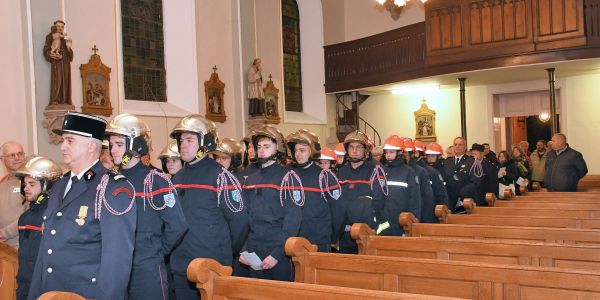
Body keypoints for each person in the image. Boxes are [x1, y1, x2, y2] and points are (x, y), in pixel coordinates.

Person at [28, 112, 137, 300]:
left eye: (70, 141)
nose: (62, 147)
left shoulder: (112, 188)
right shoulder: (60, 185)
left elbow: (116, 260)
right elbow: (46, 250)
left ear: (92, 145)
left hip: (85, 294)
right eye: (63, 140)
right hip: (51, 292)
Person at [105, 113, 188, 300]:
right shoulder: (109, 181)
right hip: (116, 268)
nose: (113, 150)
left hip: (146, 268)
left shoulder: (156, 180)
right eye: (111, 145)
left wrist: (155, 250)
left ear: (136, 145)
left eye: (119, 144)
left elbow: (178, 225)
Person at [169, 115, 247, 298]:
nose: (183, 145)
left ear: (206, 142)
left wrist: (224, 250)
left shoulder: (221, 177)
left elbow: (240, 223)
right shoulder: (177, 178)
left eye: (189, 140)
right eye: (181, 141)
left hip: (211, 266)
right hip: (181, 266)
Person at [240, 125, 303, 281]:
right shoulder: (251, 179)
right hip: (254, 250)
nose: (261, 150)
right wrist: (243, 250)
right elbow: (243, 218)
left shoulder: (288, 177)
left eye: (266, 146)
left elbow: (292, 221)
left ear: (278, 148)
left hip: (278, 251)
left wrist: (277, 254)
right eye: (259, 146)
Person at [14, 156, 62, 300]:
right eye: (25, 184)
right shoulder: (25, 217)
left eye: (32, 184)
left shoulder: (55, 216)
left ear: (48, 186)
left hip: (44, 289)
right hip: (24, 286)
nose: (26, 188)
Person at [287, 130, 340, 252]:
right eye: (295, 151)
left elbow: (337, 211)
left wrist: (331, 237)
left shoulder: (325, 176)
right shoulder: (288, 174)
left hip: (318, 240)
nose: (298, 154)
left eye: (302, 150)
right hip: (292, 239)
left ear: (312, 151)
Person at [333, 131, 387, 253]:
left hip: (367, 232)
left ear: (366, 151)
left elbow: (379, 203)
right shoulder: (340, 173)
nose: (354, 150)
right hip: (344, 234)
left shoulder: (375, 171)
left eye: (358, 147)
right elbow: (336, 203)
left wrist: (373, 229)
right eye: (351, 147)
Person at [379, 135, 420, 235]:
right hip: (383, 222)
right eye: (386, 152)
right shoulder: (381, 171)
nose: (388, 155)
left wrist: (414, 220)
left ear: (400, 153)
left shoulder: (408, 172)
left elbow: (415, 198)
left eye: (391, 152)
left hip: (401, 222)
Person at [442, 137, 480, 213]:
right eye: (455, 144)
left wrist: (461, 193)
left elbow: (475, 181)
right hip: (450, 201)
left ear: (465, 147)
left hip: (466, 201)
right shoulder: (447, 162)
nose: (457, 146)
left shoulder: (472, 161)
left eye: (460, 144)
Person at [0, 141, 26, 248]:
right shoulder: (2, 183)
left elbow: (30, 213)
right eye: (12, 155)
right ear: (2, 159)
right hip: (4, 248)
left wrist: (4, 233)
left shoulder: (32, 182)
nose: (17, 158)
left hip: (22, 244)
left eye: (20, 154)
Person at [403, 138, 436, 223]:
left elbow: (427, 199)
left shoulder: (421, 172)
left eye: (405, 154)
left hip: (417, 218)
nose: (403, 157)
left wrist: (424, 223)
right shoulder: (390, 170)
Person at [43, 20, 73, 106]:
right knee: (57, 79)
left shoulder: (65, 39)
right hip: (56, 62)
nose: (60, 28)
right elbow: (46, 50)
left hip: (66, 62)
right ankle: (55, 99)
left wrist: (68, 48)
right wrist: (50, 55)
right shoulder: (50, 37)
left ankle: (65, 100)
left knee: (65, 81)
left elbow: (71, 57)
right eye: (58, 26)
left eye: (62, 27)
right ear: (55, 27)